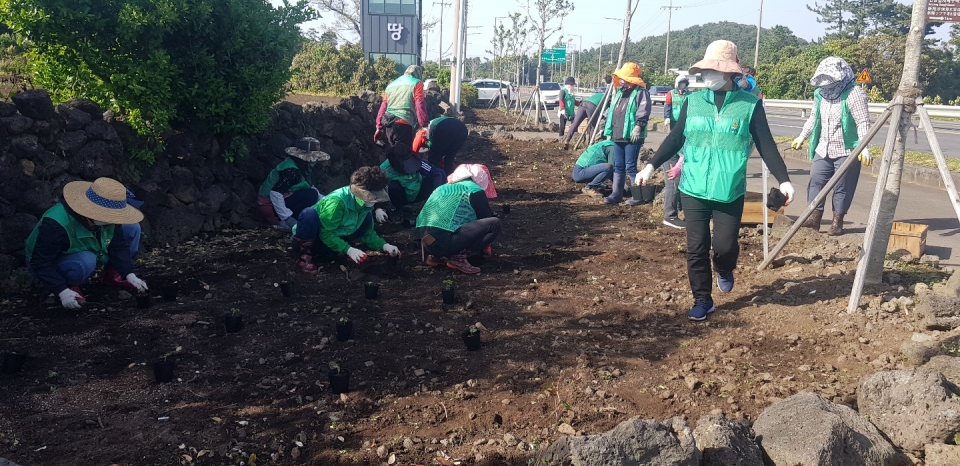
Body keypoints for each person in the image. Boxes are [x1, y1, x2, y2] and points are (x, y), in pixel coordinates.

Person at [636, 40, 795, 321]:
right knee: (696, 248)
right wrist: (651, 165)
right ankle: (702, 299)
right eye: (704, 70)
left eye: (712, 70)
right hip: (693, 187)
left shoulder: (750, 106)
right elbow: (675, 138)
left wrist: (784, 180)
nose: (705, 75)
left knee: (724, 247)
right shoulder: (694, 101)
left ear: (729, 73)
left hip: (729, 190)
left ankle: (724, 268)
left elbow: (767, 144)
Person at [25, 177, 148, 309]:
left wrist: (129, 273)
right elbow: (40, 263)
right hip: (49, 263)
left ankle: (113, 275)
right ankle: (70, 286)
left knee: (132, 228)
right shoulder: (56, 225)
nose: (114, 220)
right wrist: (62, 291)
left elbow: (118, 246)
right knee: (86, 260)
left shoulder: (108, 220)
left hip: (93, 248)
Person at [790, 57, 872, 236]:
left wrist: (864, 147)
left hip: (847, 149)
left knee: (842, 186)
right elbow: (814, 118)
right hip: (823, 147)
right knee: (816, 180)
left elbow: (863, 122)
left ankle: (837, 221)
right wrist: (802, 136)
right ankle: (814, 218)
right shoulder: (820, 94)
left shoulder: (854, 93)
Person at [291, 167, 400, 274]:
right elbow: (326, 233)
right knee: (308, 214)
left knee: (367, 219)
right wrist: (349, 250)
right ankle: (304, 256)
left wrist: (384, 246)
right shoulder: (337, 202)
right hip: (315, 238)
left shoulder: (366, 207)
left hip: (335, 238)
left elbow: (368, 233)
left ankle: (334, 251)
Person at [416, 164, 501, 274]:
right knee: (494, 224)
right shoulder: (474, 190)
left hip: (422, 239)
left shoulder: (442, 188)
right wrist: (485, 245)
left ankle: (437, 256)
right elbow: (485, 217)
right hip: (443, 240)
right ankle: (458, 256)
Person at [603, 62, 652, 206]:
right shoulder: (620, 92)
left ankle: (637, 196)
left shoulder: (641, 93)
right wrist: (606, 127)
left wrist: (638, 126)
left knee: (630, 165)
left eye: (624, 78)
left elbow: (643, 111)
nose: (622, 80)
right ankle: (616, 194)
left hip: (632, 136)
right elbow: (613, 112)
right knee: (618, 165)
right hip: (618, 134)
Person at [257, 137, 330, 231]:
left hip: (286, 198)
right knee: (311, 195)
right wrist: (287, 218)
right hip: (270, 206)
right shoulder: (292, 171)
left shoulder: (303, 167)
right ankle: (285, 222)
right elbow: (275, 193)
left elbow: (308, 186)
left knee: (313, 195)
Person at [661, 75, 694, 229]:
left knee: (682, 181)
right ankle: (670, 215)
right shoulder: (671, 94)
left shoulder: (690, 96)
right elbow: (667, 107)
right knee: (673, 183)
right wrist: (667, 118)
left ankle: (681, 210)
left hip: (680, 149)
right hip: (674, 132)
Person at [375, 65, 429, 151]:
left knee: (394, 155)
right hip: (403, 123)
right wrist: (424, 125)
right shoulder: (417, 83)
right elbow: (420, 104)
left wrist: (379, 127)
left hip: (389, 125)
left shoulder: (391, 85)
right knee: (404, 156)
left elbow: (383, 107)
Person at [380, 144, 445, 214]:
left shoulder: (416, 161)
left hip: (418, 191)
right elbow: (376, 189)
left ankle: (437, 203)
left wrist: (436, 193)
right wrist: (379, 209)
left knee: (440, 173)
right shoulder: (384, 171)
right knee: (393, 186)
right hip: (401, 196)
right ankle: (397, 209)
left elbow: (435, 172)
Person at [564, 75, 613, 150]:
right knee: (593, 126)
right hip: (592, 106)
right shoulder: (609, 99)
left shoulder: (599, 94)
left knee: (575, 123)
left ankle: (567, 139)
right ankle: (590, 144)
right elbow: (607, 112)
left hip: (583, 104)